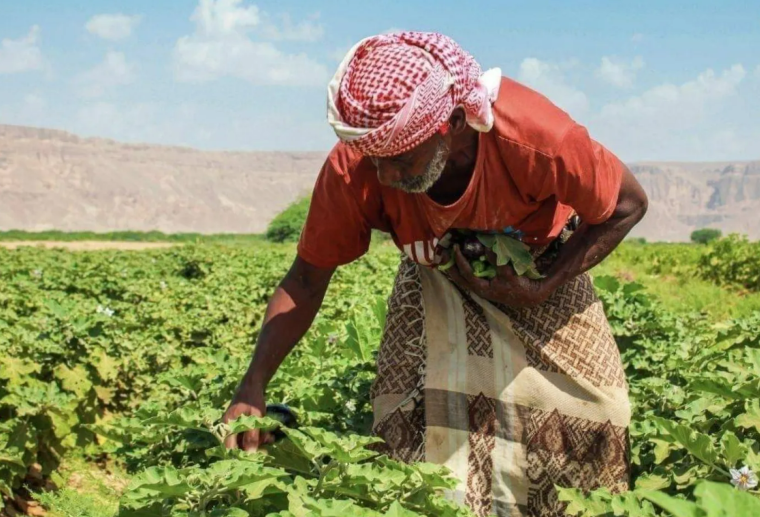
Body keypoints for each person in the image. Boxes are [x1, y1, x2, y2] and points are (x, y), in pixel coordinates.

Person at [222, 31, 648, 517]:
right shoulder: (357, 164)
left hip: (546, 264)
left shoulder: (534, 137)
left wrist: (541, 287)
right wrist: (252, 383)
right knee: (416, 424)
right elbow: (305, 279)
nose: (385, 178)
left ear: (451, 124)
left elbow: (627, 205)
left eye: (401, 159)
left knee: (597, 417)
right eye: (376, 160)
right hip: (435, 277)